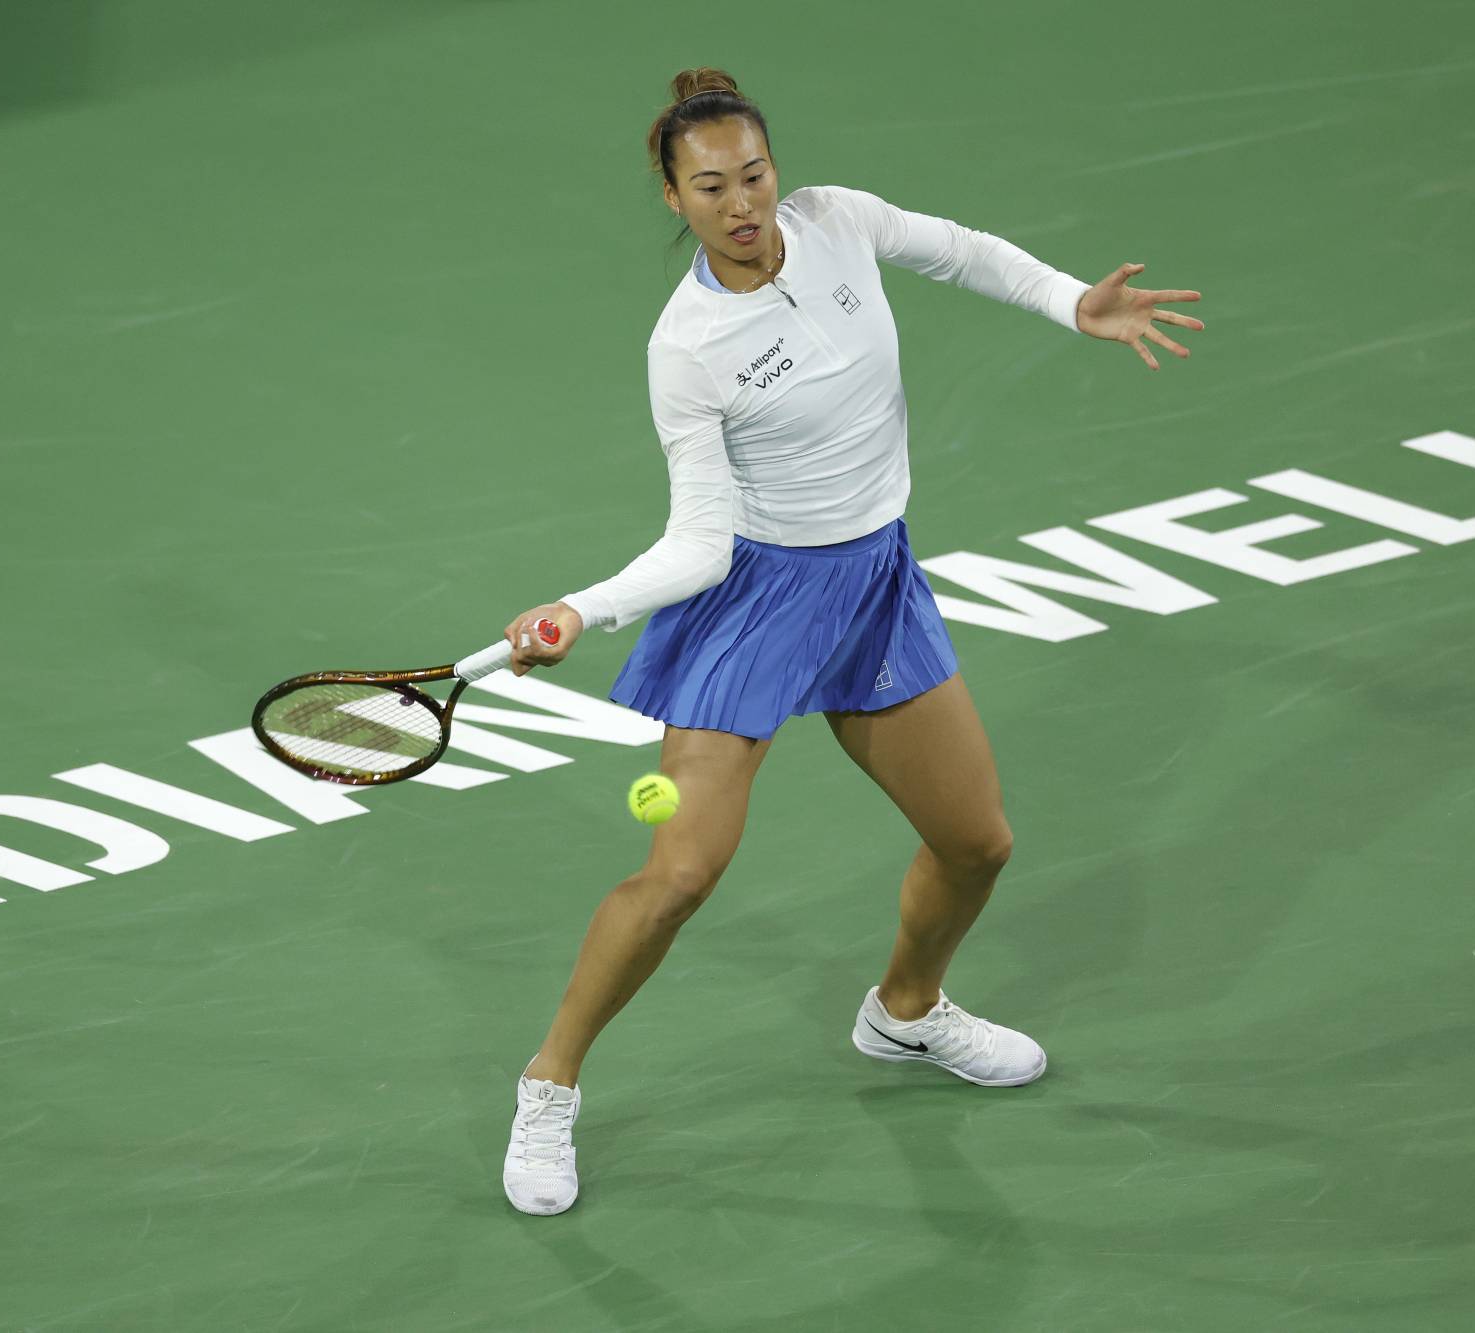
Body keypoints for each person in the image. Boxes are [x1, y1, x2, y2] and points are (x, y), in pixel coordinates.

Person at [497, 67, 1204, 1216]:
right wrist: (583, 608)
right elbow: (697, 541)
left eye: (753, 175)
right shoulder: (688, 348)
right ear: (671, 197)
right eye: (710, 188)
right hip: (753, 598)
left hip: (872, 579)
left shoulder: (838, 221)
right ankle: (548, 1083)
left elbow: (963, 252)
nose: (741, 204)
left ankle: (905, 1012)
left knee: (975, 843)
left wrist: (1070, 301)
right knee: (678, 876)